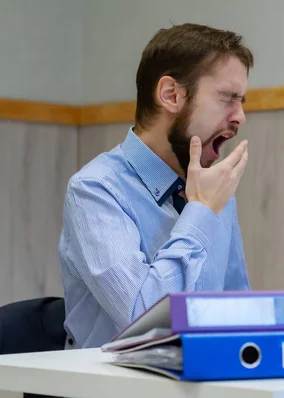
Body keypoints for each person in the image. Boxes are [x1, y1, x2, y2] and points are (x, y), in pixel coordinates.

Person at [58, 23, 253, 349]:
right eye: (227, 98)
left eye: (242, 101)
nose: (240, 116)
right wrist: (200, 213)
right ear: (171, 95)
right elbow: (145, 319)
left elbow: (237, 310)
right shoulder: (95, 190)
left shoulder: (213, 189)